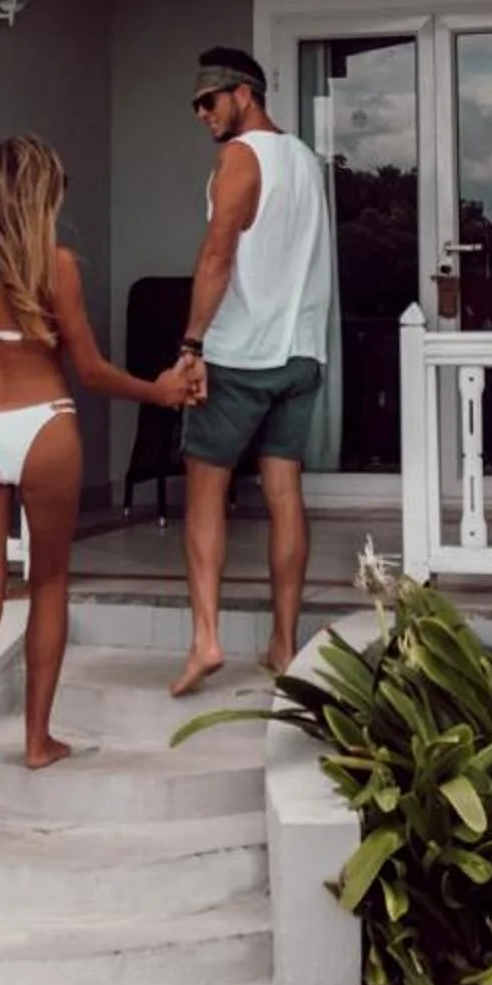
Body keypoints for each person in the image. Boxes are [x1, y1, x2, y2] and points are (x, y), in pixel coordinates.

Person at [0, 134, 198, 839]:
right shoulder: (59, 266)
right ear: (44, 196)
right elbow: (94, 371)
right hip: (45, 428)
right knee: (48, 584)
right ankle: (39, 739)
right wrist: (162, 393)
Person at [171, 46, 333, 697]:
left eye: (209, 100)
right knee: (284, 492)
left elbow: (217, 257)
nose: (202, 113)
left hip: (240, 354)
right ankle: (283, 641)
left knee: (205, 493)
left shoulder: (242, 158)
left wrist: (191, 344)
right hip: (300, 351)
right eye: (196, 105)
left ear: (245, 92)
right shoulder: (304, 160)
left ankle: (206, 638)